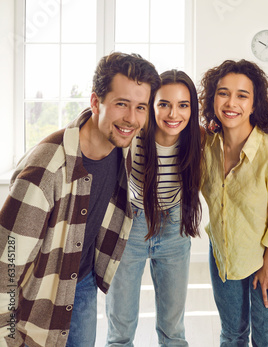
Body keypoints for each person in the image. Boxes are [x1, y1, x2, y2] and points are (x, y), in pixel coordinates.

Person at [0, 52, 160, 347]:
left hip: (83, 282)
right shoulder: (46, 170)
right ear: (96, 102)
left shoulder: (122, 144)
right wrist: (7, 337)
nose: (132, 118)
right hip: (39, 295)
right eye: (121, 104)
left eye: (141, 107)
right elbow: (5, 266)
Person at [199, 59, 268, 346]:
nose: (232, 103)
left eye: (242, 95)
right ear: (213, 98)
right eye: (223, 93)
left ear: (254, 105)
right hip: (225, 254)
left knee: (266, 339)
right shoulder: (207, 147)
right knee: (232, 335)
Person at [105, 70, 201, 346]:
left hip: (174, 226)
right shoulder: (134, 134)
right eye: (164, 104)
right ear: (151, 106)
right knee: (120, 330)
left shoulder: (197, 138)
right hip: (132, 224)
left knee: (173, 330)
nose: (174, 114)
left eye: (183, 105)